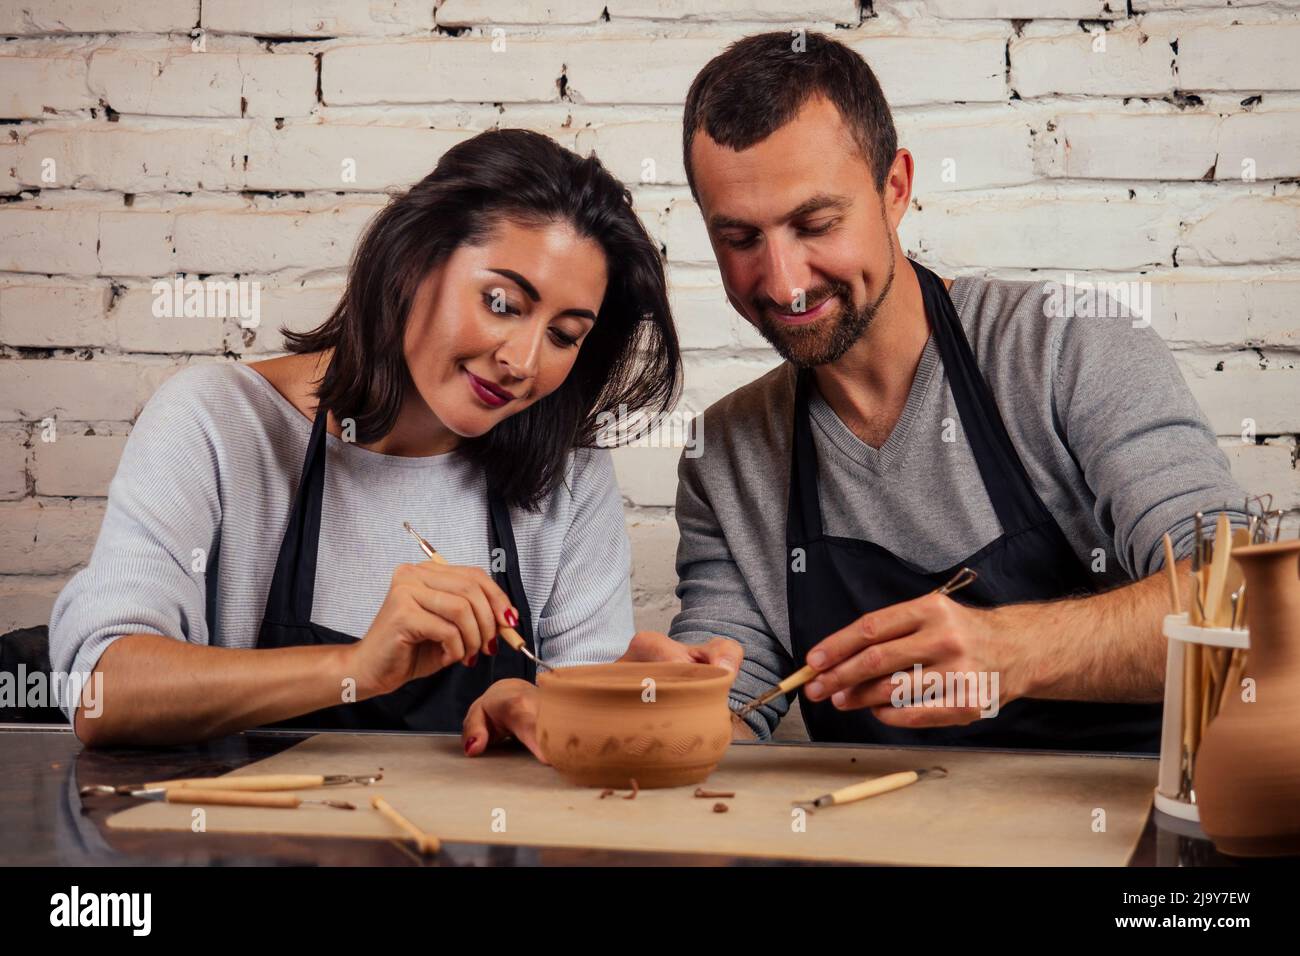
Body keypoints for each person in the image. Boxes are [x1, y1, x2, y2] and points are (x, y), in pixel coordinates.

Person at [50, 128, 738, 754]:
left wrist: (610, 701)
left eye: (563, 335)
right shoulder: (215, 423)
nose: (524, 361)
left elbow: (577, 745)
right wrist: (353, 669)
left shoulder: (568, 476)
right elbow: (101, 692)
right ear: (413, 263)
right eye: (502, 302)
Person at [667, 32, 1249, 751]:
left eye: (815, 224)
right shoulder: (726, 456)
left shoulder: (1065, 349)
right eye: (740, 239)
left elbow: (1236, 601)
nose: (783, 281)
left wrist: (1012, 650)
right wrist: (657, 704)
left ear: (896, 188)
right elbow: (730, 702)